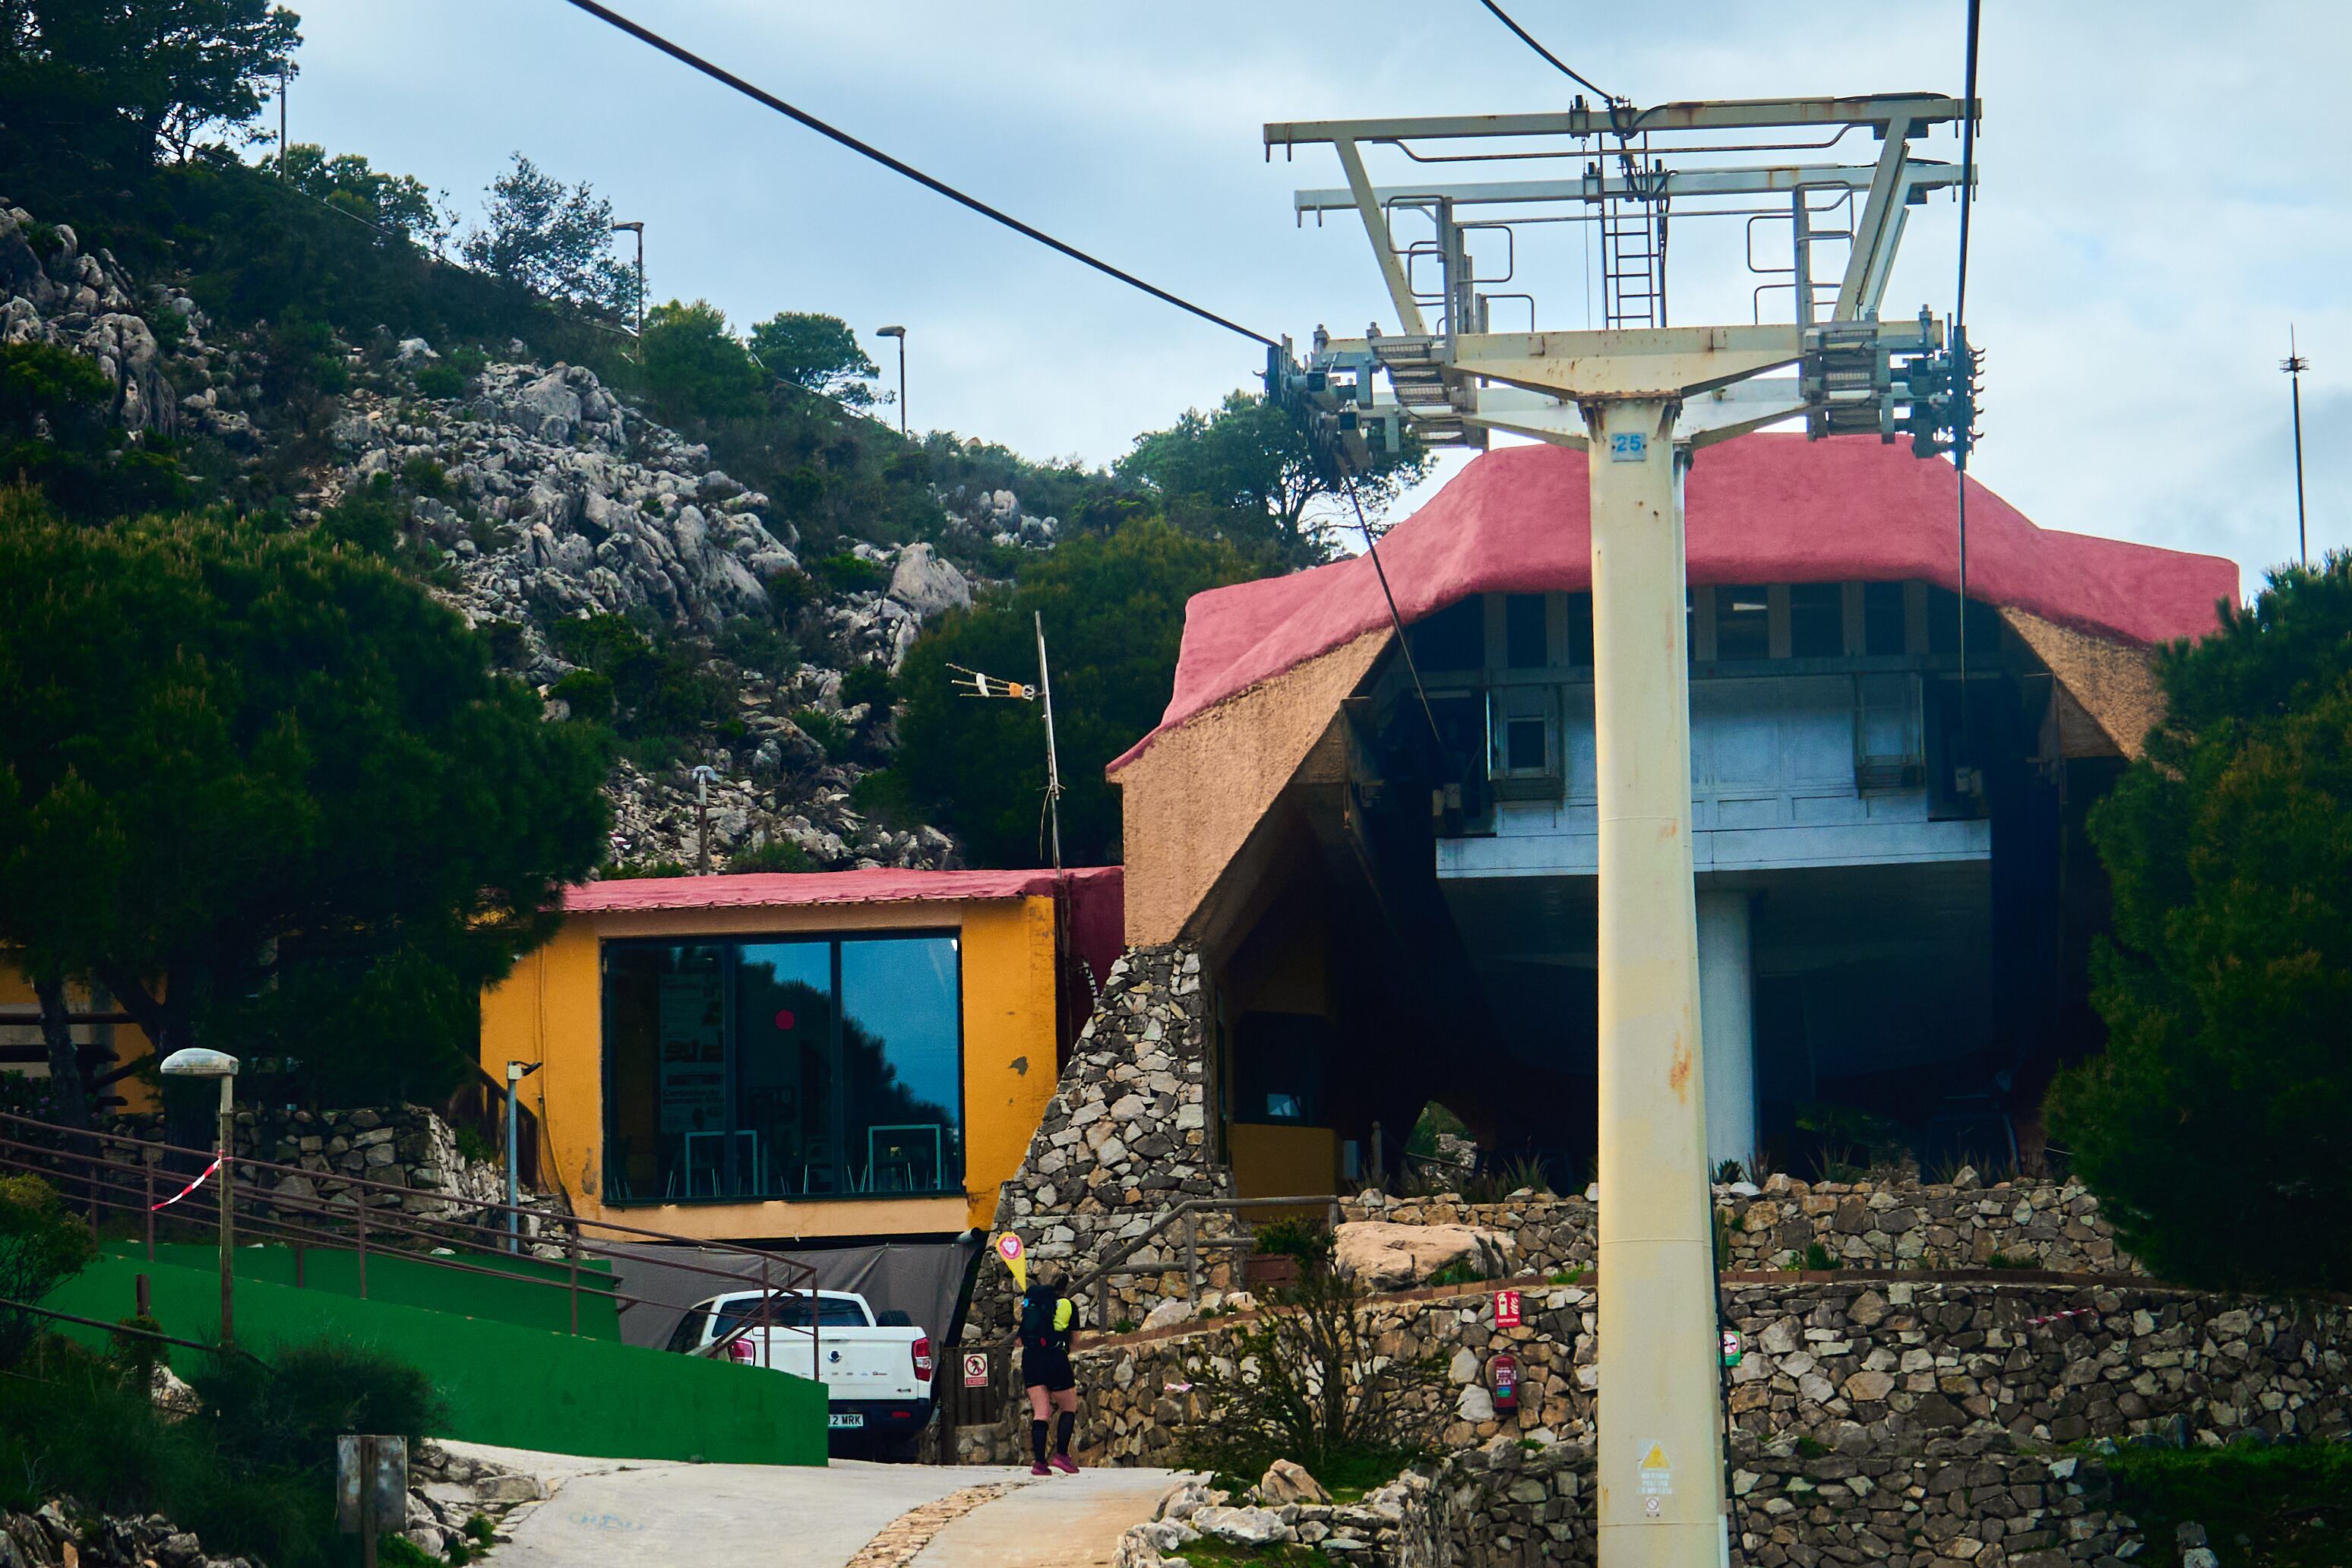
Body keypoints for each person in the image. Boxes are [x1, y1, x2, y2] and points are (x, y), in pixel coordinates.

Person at [1016, 1272, 1080, 1475]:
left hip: (1031, 1359)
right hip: (1055, 1358)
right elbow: (1075, 1341)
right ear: (1066, 1288)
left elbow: (1020, 1340)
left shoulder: (1033, 1308)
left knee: (1041, 1412)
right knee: (1069, 1406)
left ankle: (1040, 1463)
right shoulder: (1068, 1306)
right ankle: (1062, 1455)